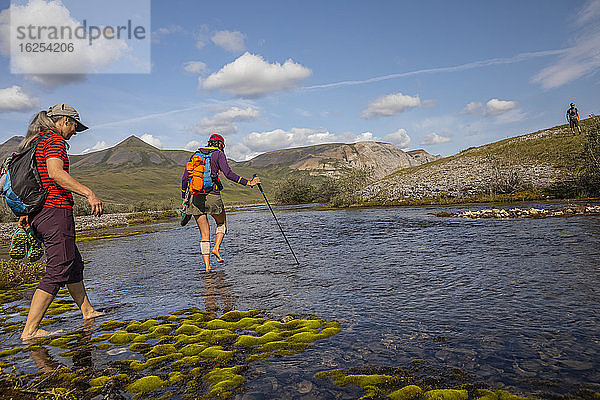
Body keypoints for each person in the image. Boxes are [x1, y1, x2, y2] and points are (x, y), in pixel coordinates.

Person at [18, 104, 104, 341]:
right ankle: (31, 330)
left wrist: (27, 212)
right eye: (75, 126)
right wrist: (88, 193)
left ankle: (87, 311)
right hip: (55, 212)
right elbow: (55, 173)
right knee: (58, 268)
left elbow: (36, 181)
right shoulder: (54, 141)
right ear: (65, 120)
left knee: (73, 263)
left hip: (40, 213)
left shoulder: (36, 142)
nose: (74, 132)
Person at [181, 133, 260, 272]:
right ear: (221, 145)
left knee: (204, 235)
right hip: (213, 195)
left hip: (195, 197)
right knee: (221, 223)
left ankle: (207, 267)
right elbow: (228, 174)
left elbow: (185, 178)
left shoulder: (196, 154)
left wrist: (184, 197)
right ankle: (216, 248)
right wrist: (249, 183)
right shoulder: (218, 154)